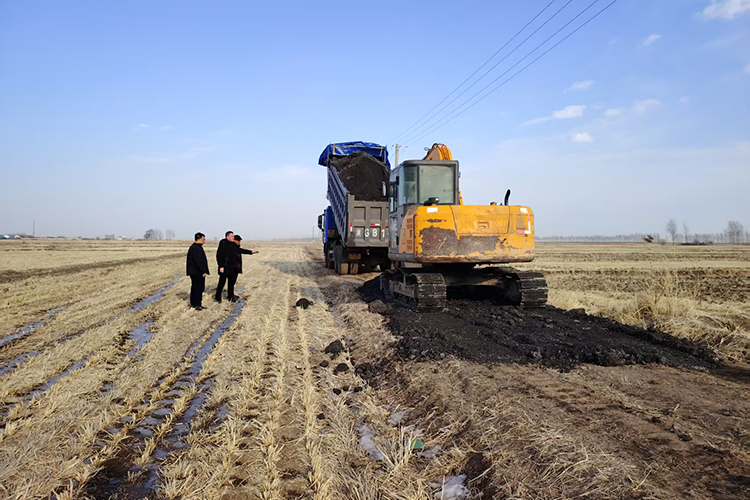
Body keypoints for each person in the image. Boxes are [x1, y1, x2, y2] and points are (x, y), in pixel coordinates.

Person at [222, 234, 258, 302]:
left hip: (235, 268)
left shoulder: (234, 246)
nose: (239, 242)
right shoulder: (232, 247)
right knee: (231, 283)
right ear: (235, 240)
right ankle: (230, 297)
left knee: (233, 283)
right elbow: (241, 251)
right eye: (239, 241)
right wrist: (251, 252)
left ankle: (232, 295)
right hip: (232, 268)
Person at [186, 232, 210, 310]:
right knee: (198, 288)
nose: (204, 241)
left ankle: (194, 303)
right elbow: (199, 261)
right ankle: (197, 304)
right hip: (197, 272)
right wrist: (203, 271)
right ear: (199, 239)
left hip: (195, 272)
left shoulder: (196, 247)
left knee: (195, 287)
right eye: (203, 239)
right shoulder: (196, 248)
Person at [214, 230, 234, 303]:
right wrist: (221, 266)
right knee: (221, 283)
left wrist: (251, 252)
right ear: (227, 237)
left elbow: (239, 250)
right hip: (224, 267)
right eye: (232, 236)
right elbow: (219, 256)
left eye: (233, 236)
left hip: (231, 267)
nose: (233, 237)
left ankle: (230, 296)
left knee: (231, 283)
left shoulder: (233, 244)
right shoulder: (223, 243)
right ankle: (217, 297)